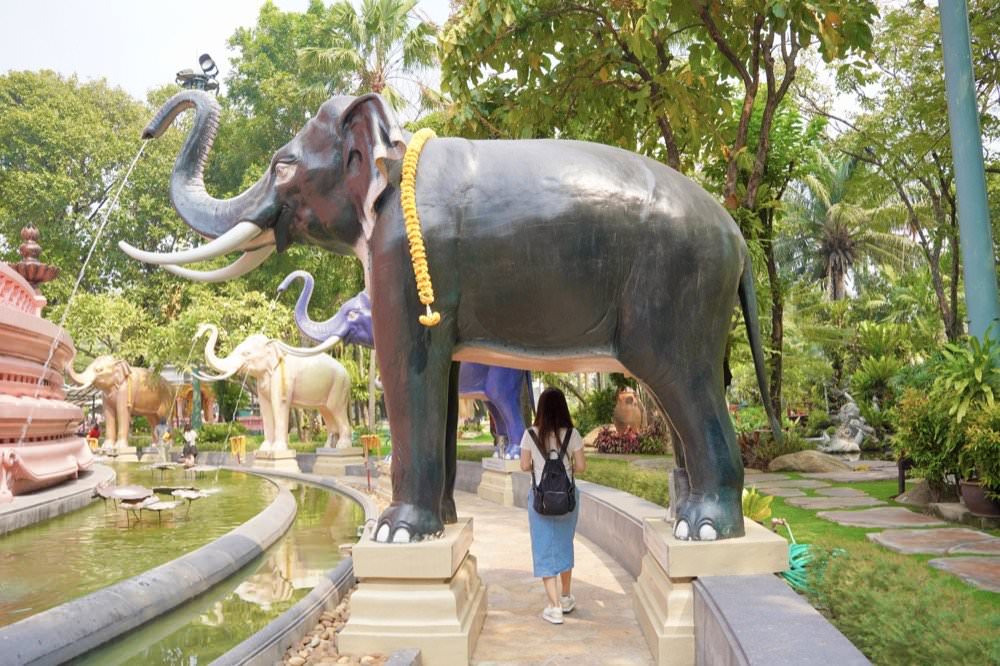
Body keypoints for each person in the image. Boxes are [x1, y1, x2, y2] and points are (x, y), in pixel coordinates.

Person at [519, 387, 586, 625]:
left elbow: (524, 465)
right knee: (564, 543)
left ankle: (554, 606)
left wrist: (541, 463)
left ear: (541, 408)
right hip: (568, 500)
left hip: (541, 500)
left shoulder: (530, 434)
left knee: (544, 547)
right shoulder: (573, 434)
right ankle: (566, 597)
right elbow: (581, 467)